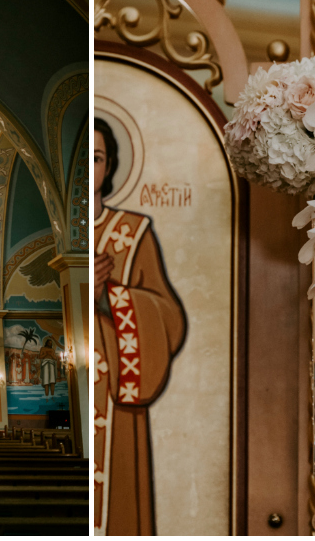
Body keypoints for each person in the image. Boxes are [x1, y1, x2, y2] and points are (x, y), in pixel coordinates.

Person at [93, 118, 186, 534]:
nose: (91, 169)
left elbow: (168, 317)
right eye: (85, 161)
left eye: (97, 158)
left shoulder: (132, 233)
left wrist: (109, 297)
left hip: (117, 394)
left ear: (110, 166)